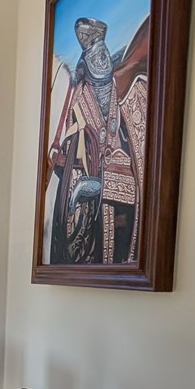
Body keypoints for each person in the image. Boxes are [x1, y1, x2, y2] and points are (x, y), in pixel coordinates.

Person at [45, 16, 149, 265]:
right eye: (93, 57)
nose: (99, 60)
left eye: (101, 54)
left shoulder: (131, 95)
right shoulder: (77, 104)